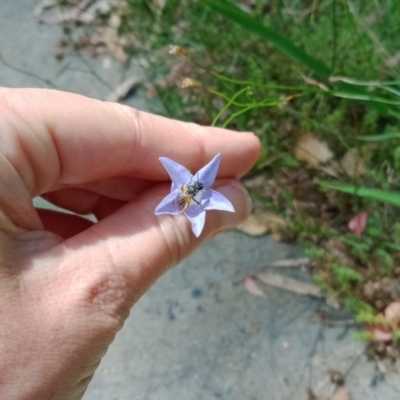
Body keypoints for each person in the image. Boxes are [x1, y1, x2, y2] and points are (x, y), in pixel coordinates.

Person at [0, 88, 260, 399]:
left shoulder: (195, 189)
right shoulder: (184, 190)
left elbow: (188, 197)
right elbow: (174, 202)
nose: (190, 194)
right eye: (188, 191)